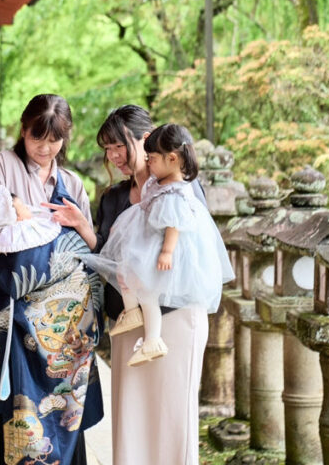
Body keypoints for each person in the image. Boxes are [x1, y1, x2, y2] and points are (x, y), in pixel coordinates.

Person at [0, 94, 103, 465]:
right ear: (23, 130)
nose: (45, 147)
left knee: (67, 414)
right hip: (16, 319)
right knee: (19, 415)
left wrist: (80, 224)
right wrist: (14, 213)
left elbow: (92, 253)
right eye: (37, 137)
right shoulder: (4, 167)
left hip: (64, 330)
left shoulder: (71, 183)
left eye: (54, 140)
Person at [89, 106, 219, 464]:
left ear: (146, 140)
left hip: (176, 316)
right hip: (128, 319)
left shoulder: (182, 190)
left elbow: (197, 251)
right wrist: (85, 230)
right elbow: (107, 256)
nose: (113, 156)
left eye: (119, 146)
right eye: (107, 149)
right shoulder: (114, 198)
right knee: (131, 419)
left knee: (174, 418)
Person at [82, 123, 233, 368]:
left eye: (151, 158)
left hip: (157, 250)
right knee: (125, 274)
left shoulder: (177, 191)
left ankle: (152, 339)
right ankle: (132, 312)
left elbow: (174, 223)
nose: (148, 162)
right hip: (144, 241)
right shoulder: (157, 183)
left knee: (147, 291)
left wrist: (167, 251)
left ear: (172, 159)